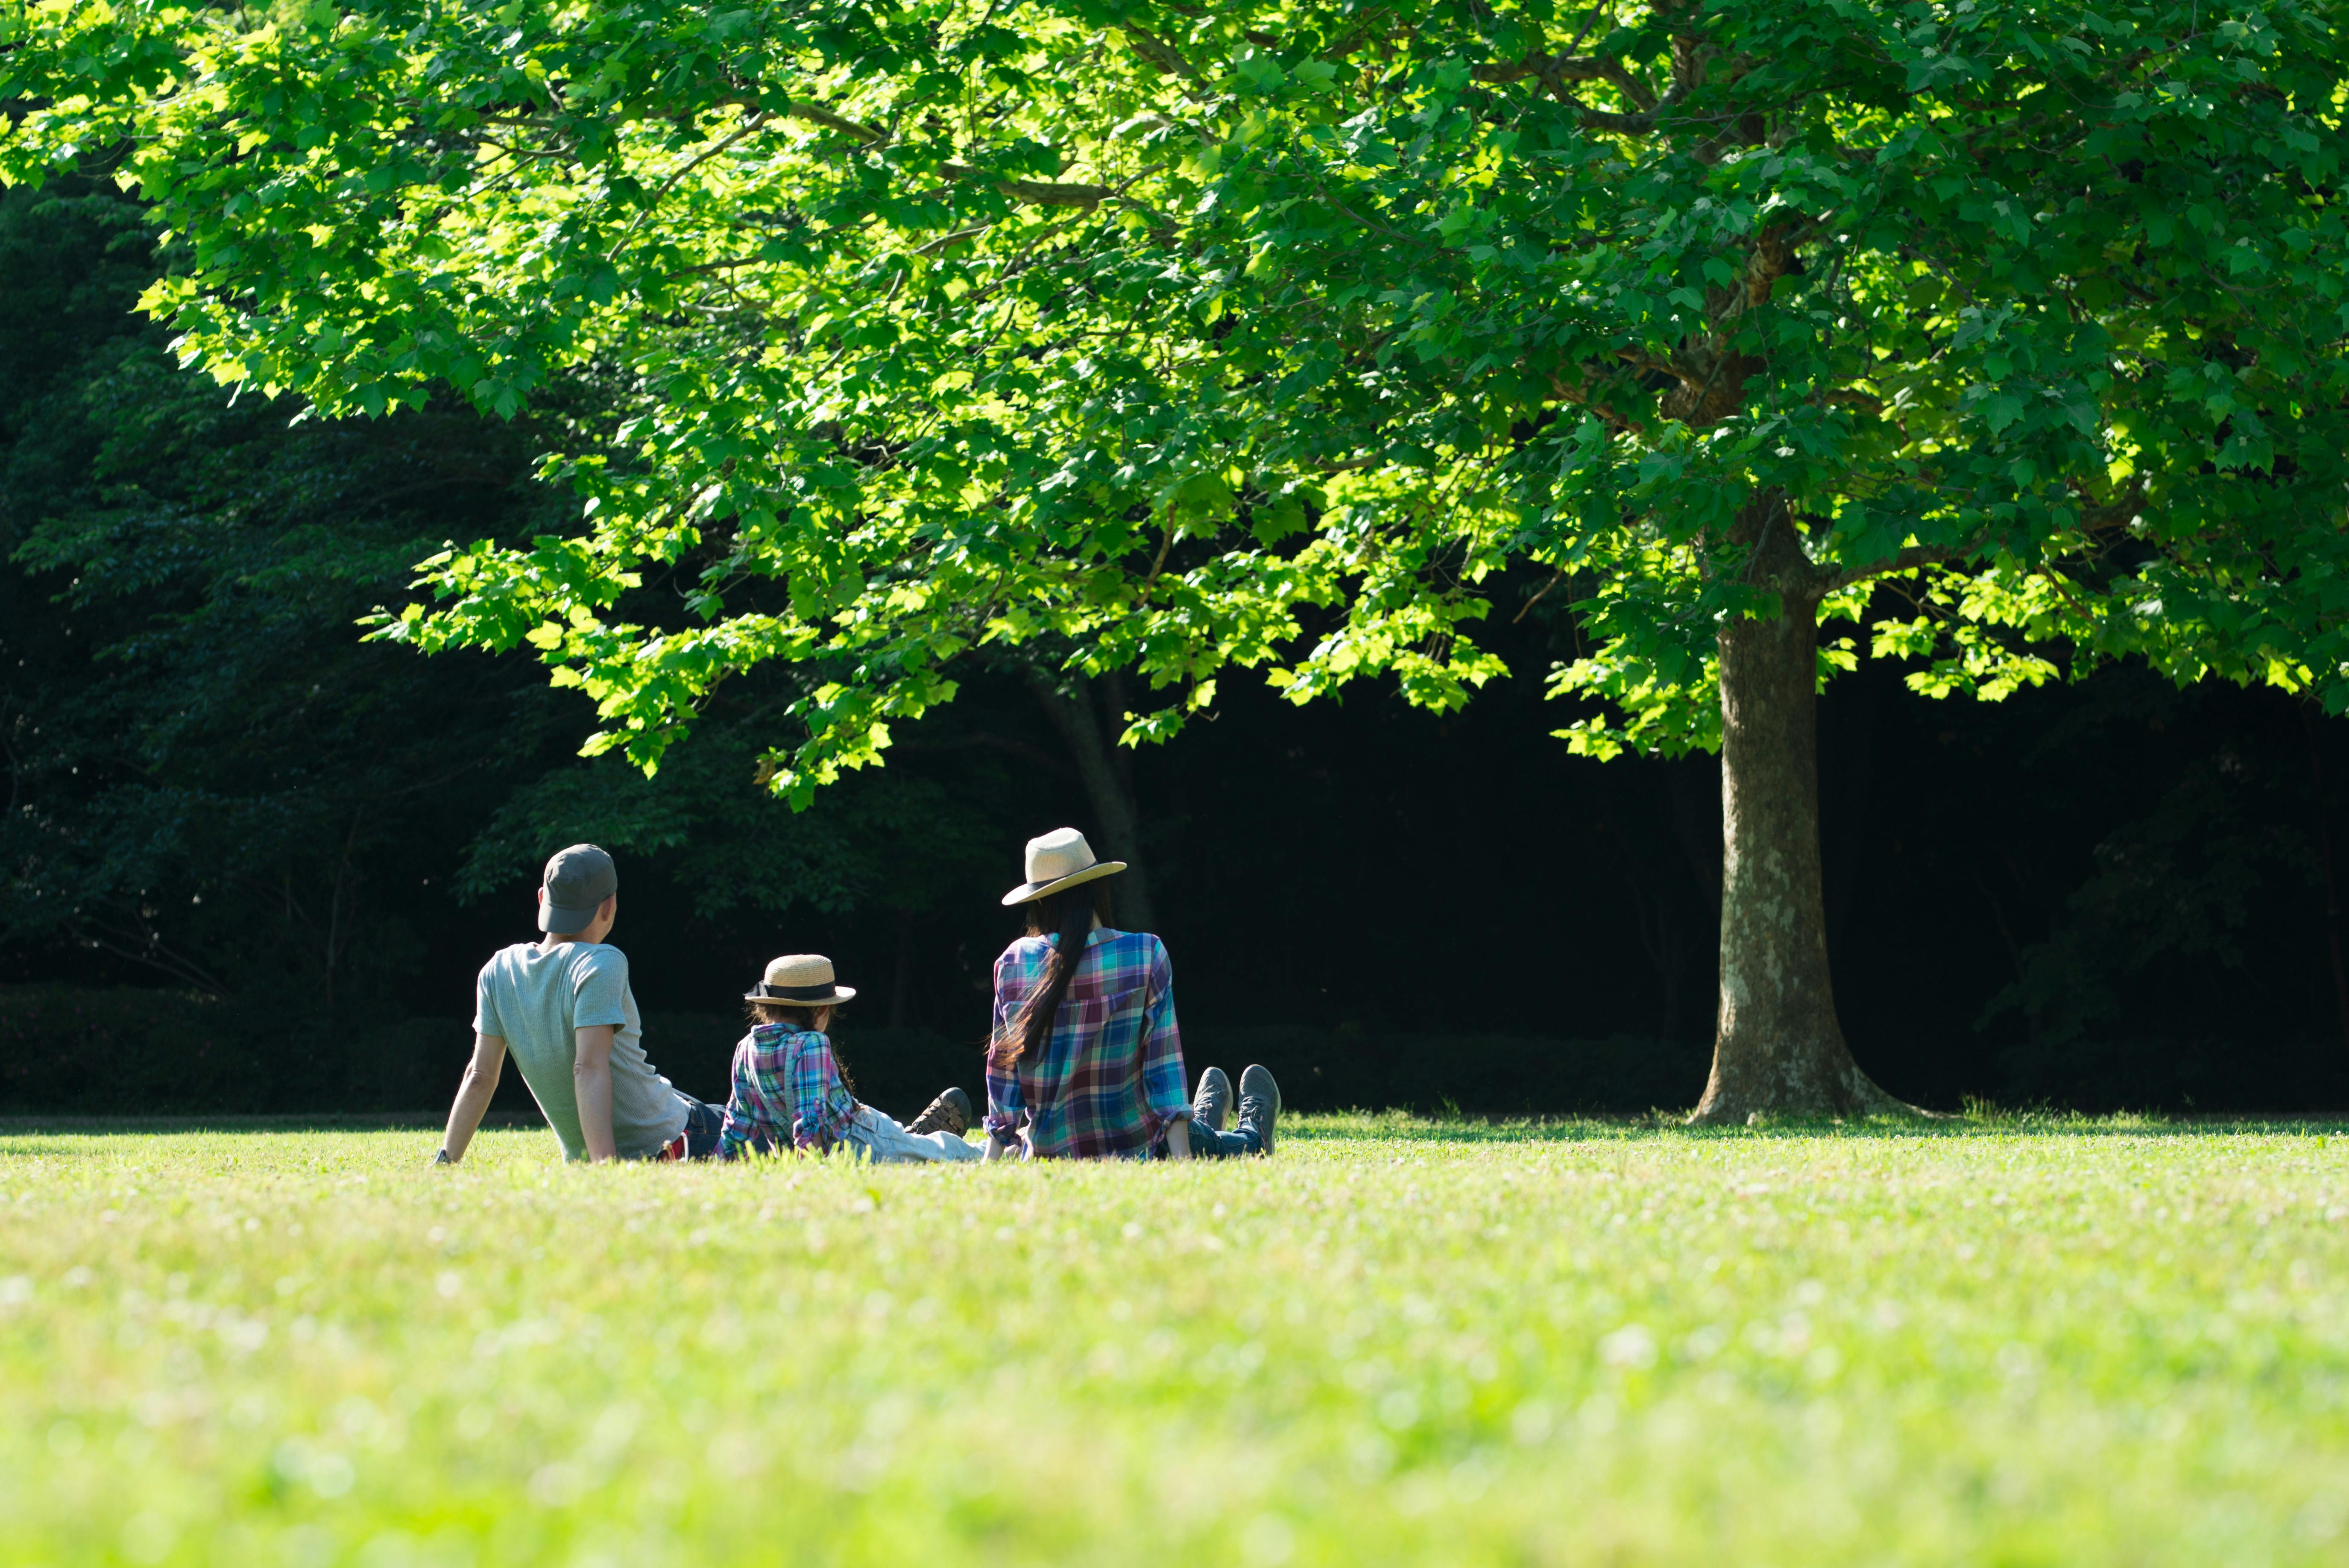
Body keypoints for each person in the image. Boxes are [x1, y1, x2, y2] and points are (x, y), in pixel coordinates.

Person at [983, 827, 1279, 1161]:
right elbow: (1163, 1070)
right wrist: (1184, 1166)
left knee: (1193, 1133)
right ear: (1097, 887)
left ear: (1038, 902)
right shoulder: (1145, 953)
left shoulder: (1013, 962)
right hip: (1140, 1149)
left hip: (1048, 1155)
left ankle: (1204, 1118)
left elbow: (1003, 1077)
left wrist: (989, 1163)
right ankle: (1254, 1135)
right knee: (1221, 1144)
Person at [434, 844, 725, 1165]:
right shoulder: (600, 963)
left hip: (672, 1110)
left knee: (717, 1110)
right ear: (609, 906)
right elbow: (588, 1068)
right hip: (675, 1139)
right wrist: (605, 1168)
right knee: (761, 1129)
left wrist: (445, 1161)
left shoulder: (497, 971)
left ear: (542, 899)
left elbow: (480, 1075)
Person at [718, 954, 982, 1164]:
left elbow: (739, 1120)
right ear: (822, 1011)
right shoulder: (812, 1044)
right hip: (864, 1143)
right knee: (946, 1153)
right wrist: (812, 1166)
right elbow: (809, 1117)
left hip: (858, 1135)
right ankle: (999, 1146)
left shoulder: (746, 1047)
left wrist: (723, 1162)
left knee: (922, 1149)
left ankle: (923, 1140)